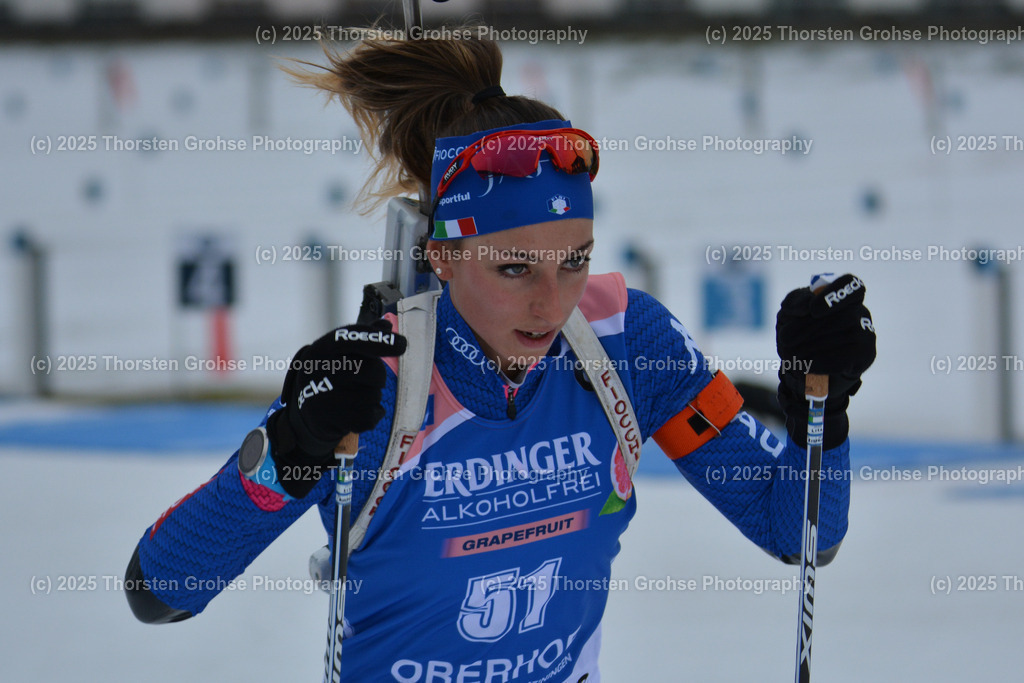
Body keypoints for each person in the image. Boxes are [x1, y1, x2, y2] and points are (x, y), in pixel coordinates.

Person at [124, 32, 875, 681]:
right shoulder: (378, 381)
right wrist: (293, 446)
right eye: (514, 268)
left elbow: (799, 534)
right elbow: (158, 589)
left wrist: (823, 404)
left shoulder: (626, 342)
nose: (551, 303)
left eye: (574, 261)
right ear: (443, 257)